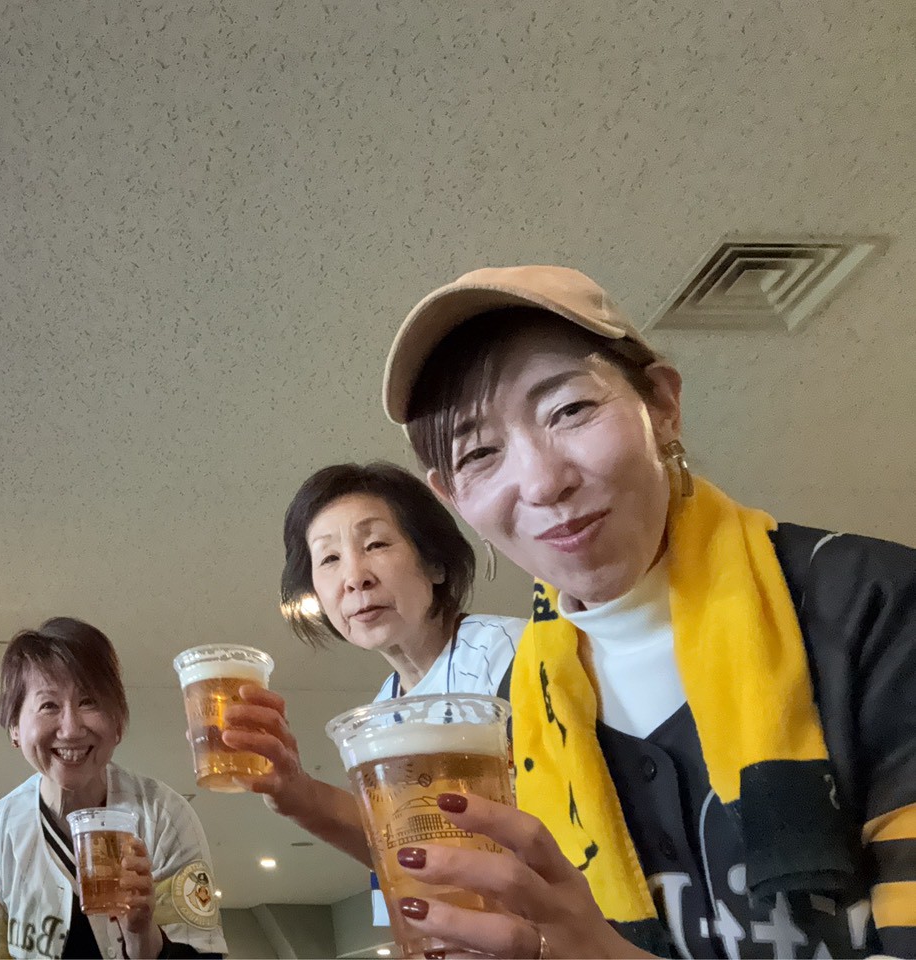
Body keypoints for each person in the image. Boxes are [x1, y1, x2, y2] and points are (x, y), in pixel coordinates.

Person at [367, 264, 916, 958]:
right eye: (479, 453)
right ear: (452, 499)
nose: (542, 481)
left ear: (662, 405)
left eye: (570, 410)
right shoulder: (518, 715)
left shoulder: (869, 602)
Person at [221, 461, 523, 862]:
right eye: (329, 558)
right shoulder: (381, 714)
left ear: (434, 563)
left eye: (376, 545)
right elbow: (397, 847)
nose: (354, 577)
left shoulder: (512, 655)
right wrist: (293, 791)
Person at [0, 617, 226, 960]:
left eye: (89, 701)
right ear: (14, 727)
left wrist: (143, 935)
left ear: (118, 723)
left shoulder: (163, 816)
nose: (71, 729)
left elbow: (204, 952)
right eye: (48, 705)